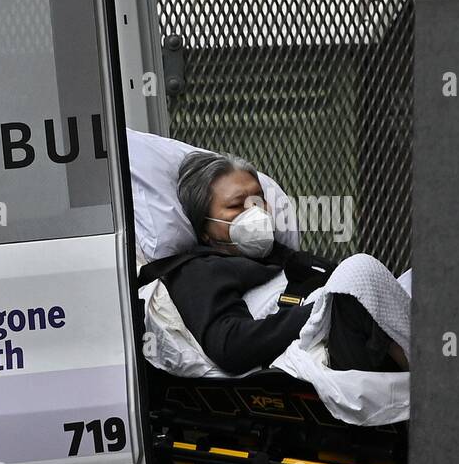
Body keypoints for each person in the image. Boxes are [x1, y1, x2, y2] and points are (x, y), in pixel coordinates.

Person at [149, 150, 408, 376]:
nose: (255, 213)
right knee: (360, 268)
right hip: (321, 357)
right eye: (236, 206)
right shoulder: (200, 270)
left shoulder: (292, 260)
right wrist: (320, 310)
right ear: (205, 227)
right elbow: (230, 345)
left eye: (258, 201)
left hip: (360, 338)